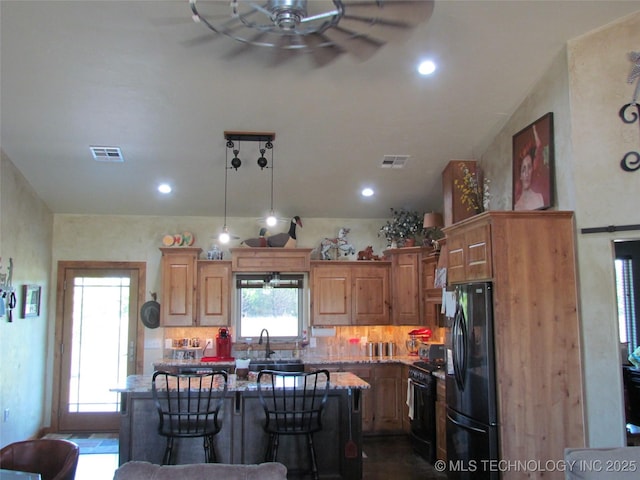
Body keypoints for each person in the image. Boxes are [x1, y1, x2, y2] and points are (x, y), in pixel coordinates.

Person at [514, 125, 545, 211]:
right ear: (520, 175)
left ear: (533, 170)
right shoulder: (517, 207)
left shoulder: (539, 198)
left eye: (529, 167)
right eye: (523, 169)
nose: (527, 173)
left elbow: (539, 147)